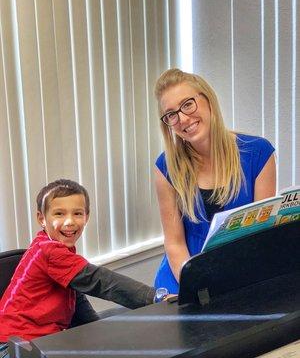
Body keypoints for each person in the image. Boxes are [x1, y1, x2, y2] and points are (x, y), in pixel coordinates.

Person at [0, 179, 170, 354]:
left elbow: (76, 298)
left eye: (77, 214)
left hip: (38, 343)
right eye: (59, 214)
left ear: (86, 217)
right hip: (14, 348)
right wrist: (155, 297)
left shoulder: (53, 247)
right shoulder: (48, 251)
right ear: (41, 219)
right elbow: (100, 281)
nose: (69, 222)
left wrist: (98, 334)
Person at [153, 68, 276, 294]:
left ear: (208, 101)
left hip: (240, 274)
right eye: (171, 114)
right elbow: (174, 243)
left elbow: (261, 238)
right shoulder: (166, 167)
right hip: (184, 276)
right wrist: (197, 287)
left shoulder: (258, 153)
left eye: (187, 104)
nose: (182, 119)